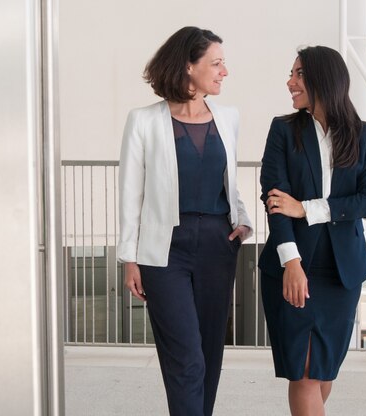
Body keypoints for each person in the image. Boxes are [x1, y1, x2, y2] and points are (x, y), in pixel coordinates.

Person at [118, 26, 252, 416]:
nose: (225, 71)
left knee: (209, 356)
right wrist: (129, 258)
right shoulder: (143, 121)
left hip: (217, 243)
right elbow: (131, 194)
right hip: (164, 253)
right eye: (216, 62)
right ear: (189, 67)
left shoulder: (228, 117)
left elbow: (230, 181)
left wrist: (242, 221)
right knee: (186, 359)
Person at [258, 45, 366, 415]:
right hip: (292, 265)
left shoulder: (363, 136)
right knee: (304, 372)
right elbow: (276, 202)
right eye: (292, 73)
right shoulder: (283, 130)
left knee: (324, 370)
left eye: (299, 74)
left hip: (341, 273)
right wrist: (291, 263)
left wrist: (310, 208)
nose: (290, 82)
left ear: (323, 80)